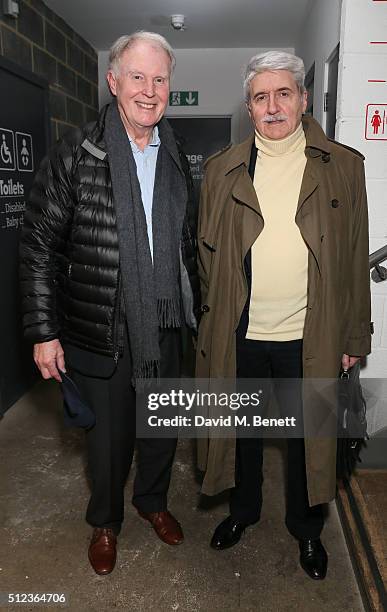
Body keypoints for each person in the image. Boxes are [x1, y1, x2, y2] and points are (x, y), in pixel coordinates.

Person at [19, 31, 199, 576]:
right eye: (138, 77)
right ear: (113, 81)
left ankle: (152, 501)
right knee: (108, 441)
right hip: (99, 324)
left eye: (160, 79)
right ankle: (106, 520)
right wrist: (43, 331)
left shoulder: (174, 153)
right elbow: (38, 246)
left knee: (163, 428)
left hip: (167, 322)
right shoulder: (78, 152)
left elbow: (186, 243)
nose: (149, 90)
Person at [196, 50, 371, 580]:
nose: (272, 107)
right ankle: (243, 512)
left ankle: (307, 529)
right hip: (242, 334)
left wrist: (352, 335)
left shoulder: (342, 165)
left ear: (303, 98)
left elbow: (354, 259)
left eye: (283, 94)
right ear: (249, 107)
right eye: (260, 97)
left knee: (307, 442)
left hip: (310, 335)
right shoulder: (221, 170)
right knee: (242, 432)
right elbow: (205, 256)